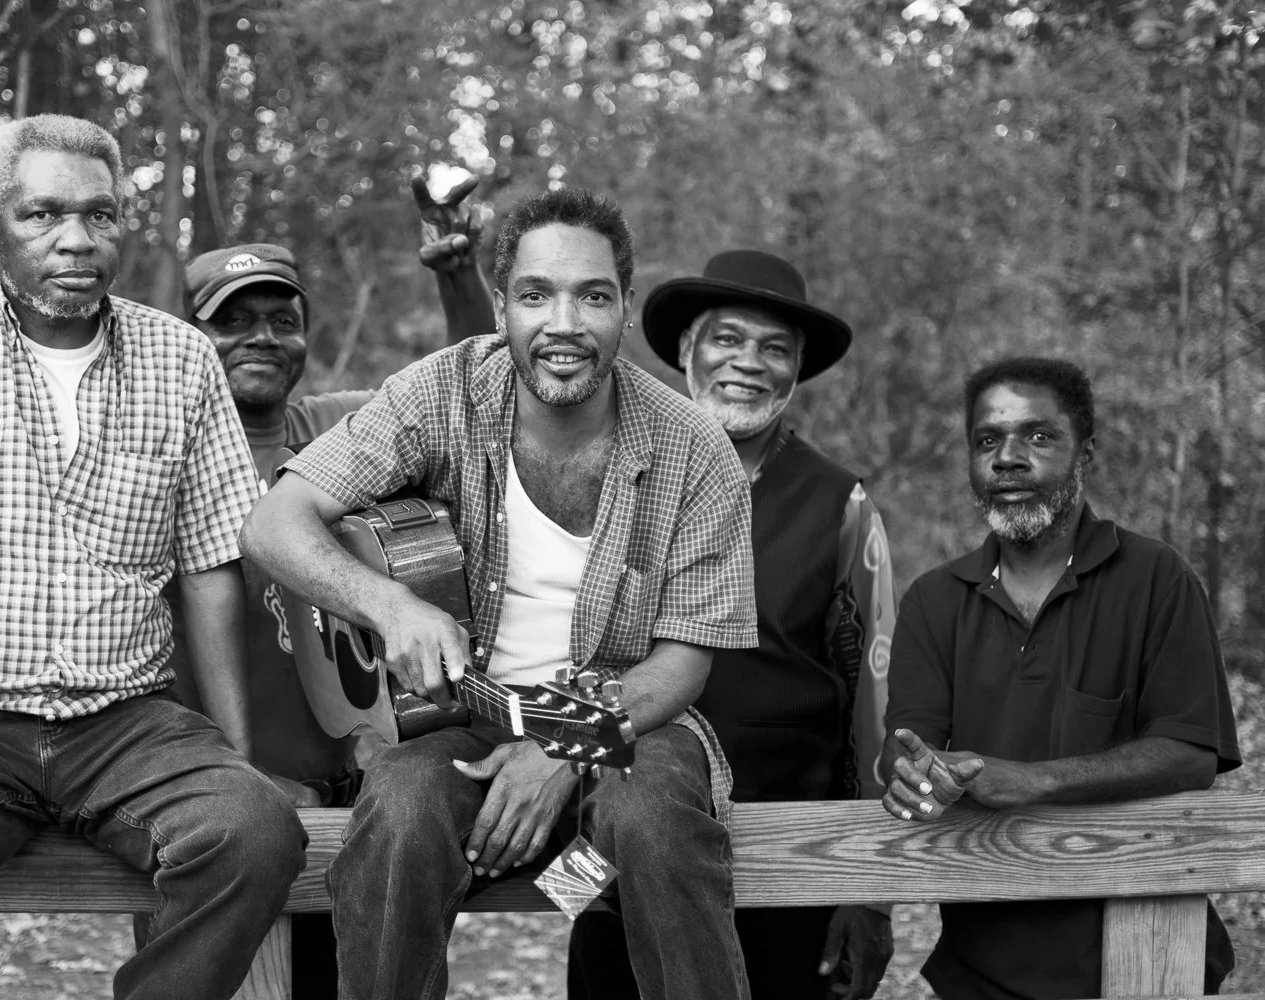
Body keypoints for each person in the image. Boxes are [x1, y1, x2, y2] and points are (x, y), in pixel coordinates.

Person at [0, 113, 306, 1000]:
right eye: (42, 215)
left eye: (100, 215)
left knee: (256, 831)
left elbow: (208, 567)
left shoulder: (183, 356)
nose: (75, 239)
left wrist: (233, 748)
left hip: (128, 719)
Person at [244, 187, 759, 1000]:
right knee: (401, 808)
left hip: (632, 717)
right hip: (467, 719)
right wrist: (391, 606)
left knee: (653, 818)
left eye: (592, 296)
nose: (563, 323)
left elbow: (684, 665)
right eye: (534, 295)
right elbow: (276, 523)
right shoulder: (439, 394)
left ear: (624, 309)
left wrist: (564, 742)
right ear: (500, 307)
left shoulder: (695, 447)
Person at [422, 245, 898, 996]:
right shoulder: (609, 475)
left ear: (798, 370)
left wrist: (869, 891)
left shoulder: (841, 505)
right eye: (728, 339)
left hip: (782, 852)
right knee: (601, 962)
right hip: (619, 837)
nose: (750, 362)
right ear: (686, 350)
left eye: (776, 349)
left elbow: (872, 704)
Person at [156, 174, 487, 996]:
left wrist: (456, 277)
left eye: (280, 319)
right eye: (230, 320)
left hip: (352, 789)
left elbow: (472, 392)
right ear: (187, 337)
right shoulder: (153, 451)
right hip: (213, 809)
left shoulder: (340, 432)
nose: (260, 337)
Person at [881, 357, 1240, 999]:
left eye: (1038, 437)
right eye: (987, 441)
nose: (1008, 459)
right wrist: (914, 774)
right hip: (981, 965)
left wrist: (1035, 780)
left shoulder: (1158, 579)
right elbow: (908, 748)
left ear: (1085, 454)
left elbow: (1192, 753)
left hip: (1149, 948)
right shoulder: (932, 601)